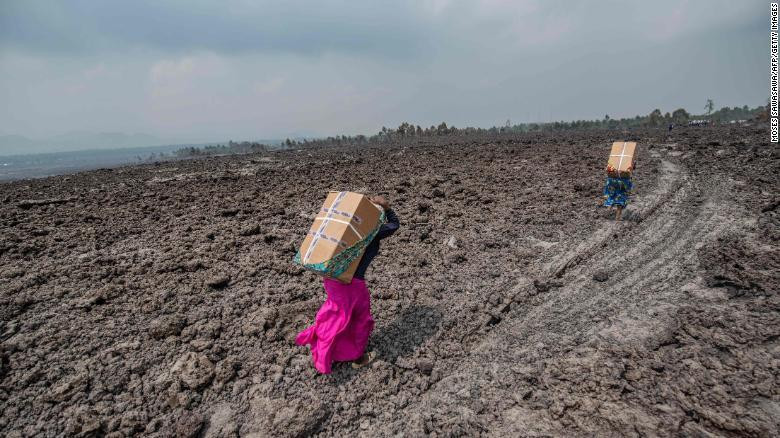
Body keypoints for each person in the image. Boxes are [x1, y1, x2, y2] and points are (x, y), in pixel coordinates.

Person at [295, 195, 400, 373]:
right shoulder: (370, 233)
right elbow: (394, 225)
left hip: (331, 278)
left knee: (336, 314)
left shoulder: (338, 230)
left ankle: (326, 341)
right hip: (352, 284)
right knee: (360, 320)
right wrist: (387, 208)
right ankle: (356, 356)